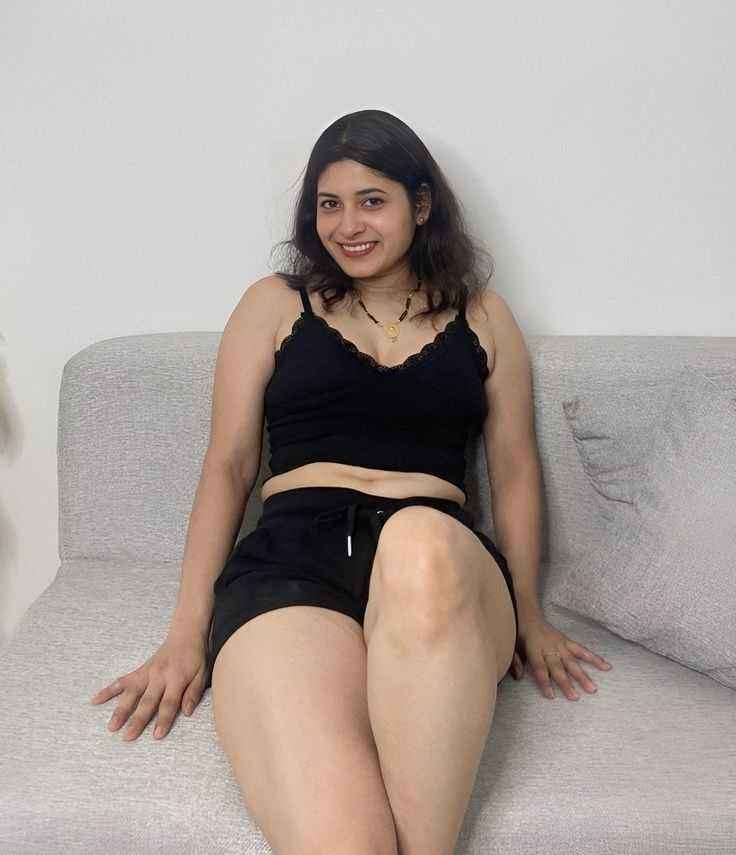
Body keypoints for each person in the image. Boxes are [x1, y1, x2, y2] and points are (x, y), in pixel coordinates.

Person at [89, 109, 612, 855]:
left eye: (372, 200)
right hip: (292, 565)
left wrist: (528, 612)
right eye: (328, 204)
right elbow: (229, 466)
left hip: (439, 568)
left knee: (416, 539)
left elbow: (516, 470)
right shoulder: (273, 304)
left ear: (420, 205)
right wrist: (184, 633)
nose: (347, 225)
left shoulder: (485, 317)